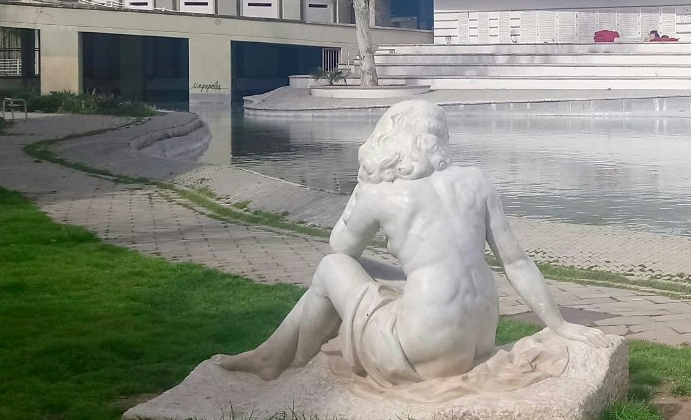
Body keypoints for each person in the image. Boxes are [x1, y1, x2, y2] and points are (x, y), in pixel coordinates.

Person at [219, 100, 600, 386]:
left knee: (330, 269)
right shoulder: (475, 180)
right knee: (364, 272)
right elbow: (516, 262)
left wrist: (360, 190)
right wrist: (560, 324)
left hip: (421, 353)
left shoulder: (380, 193)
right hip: (479, 339)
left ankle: (287, 363)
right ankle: (275, 357)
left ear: (388, 136)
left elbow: (341, 250)